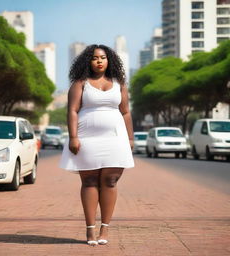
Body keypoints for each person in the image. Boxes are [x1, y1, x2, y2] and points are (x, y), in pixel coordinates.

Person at [59, 44, 134, 246]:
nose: (99, 61)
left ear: (109, 60)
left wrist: (130, 138)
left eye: (102, 57)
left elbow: (126, 112)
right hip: (87, 138)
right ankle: (90, 230)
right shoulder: (80, 83)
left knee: (110, 181)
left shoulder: (120, 83)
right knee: (90, 182)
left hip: (115, 139)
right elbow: (72, 111)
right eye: (94, 58)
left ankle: (105, 229)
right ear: (88, 62)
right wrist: (73, 137)